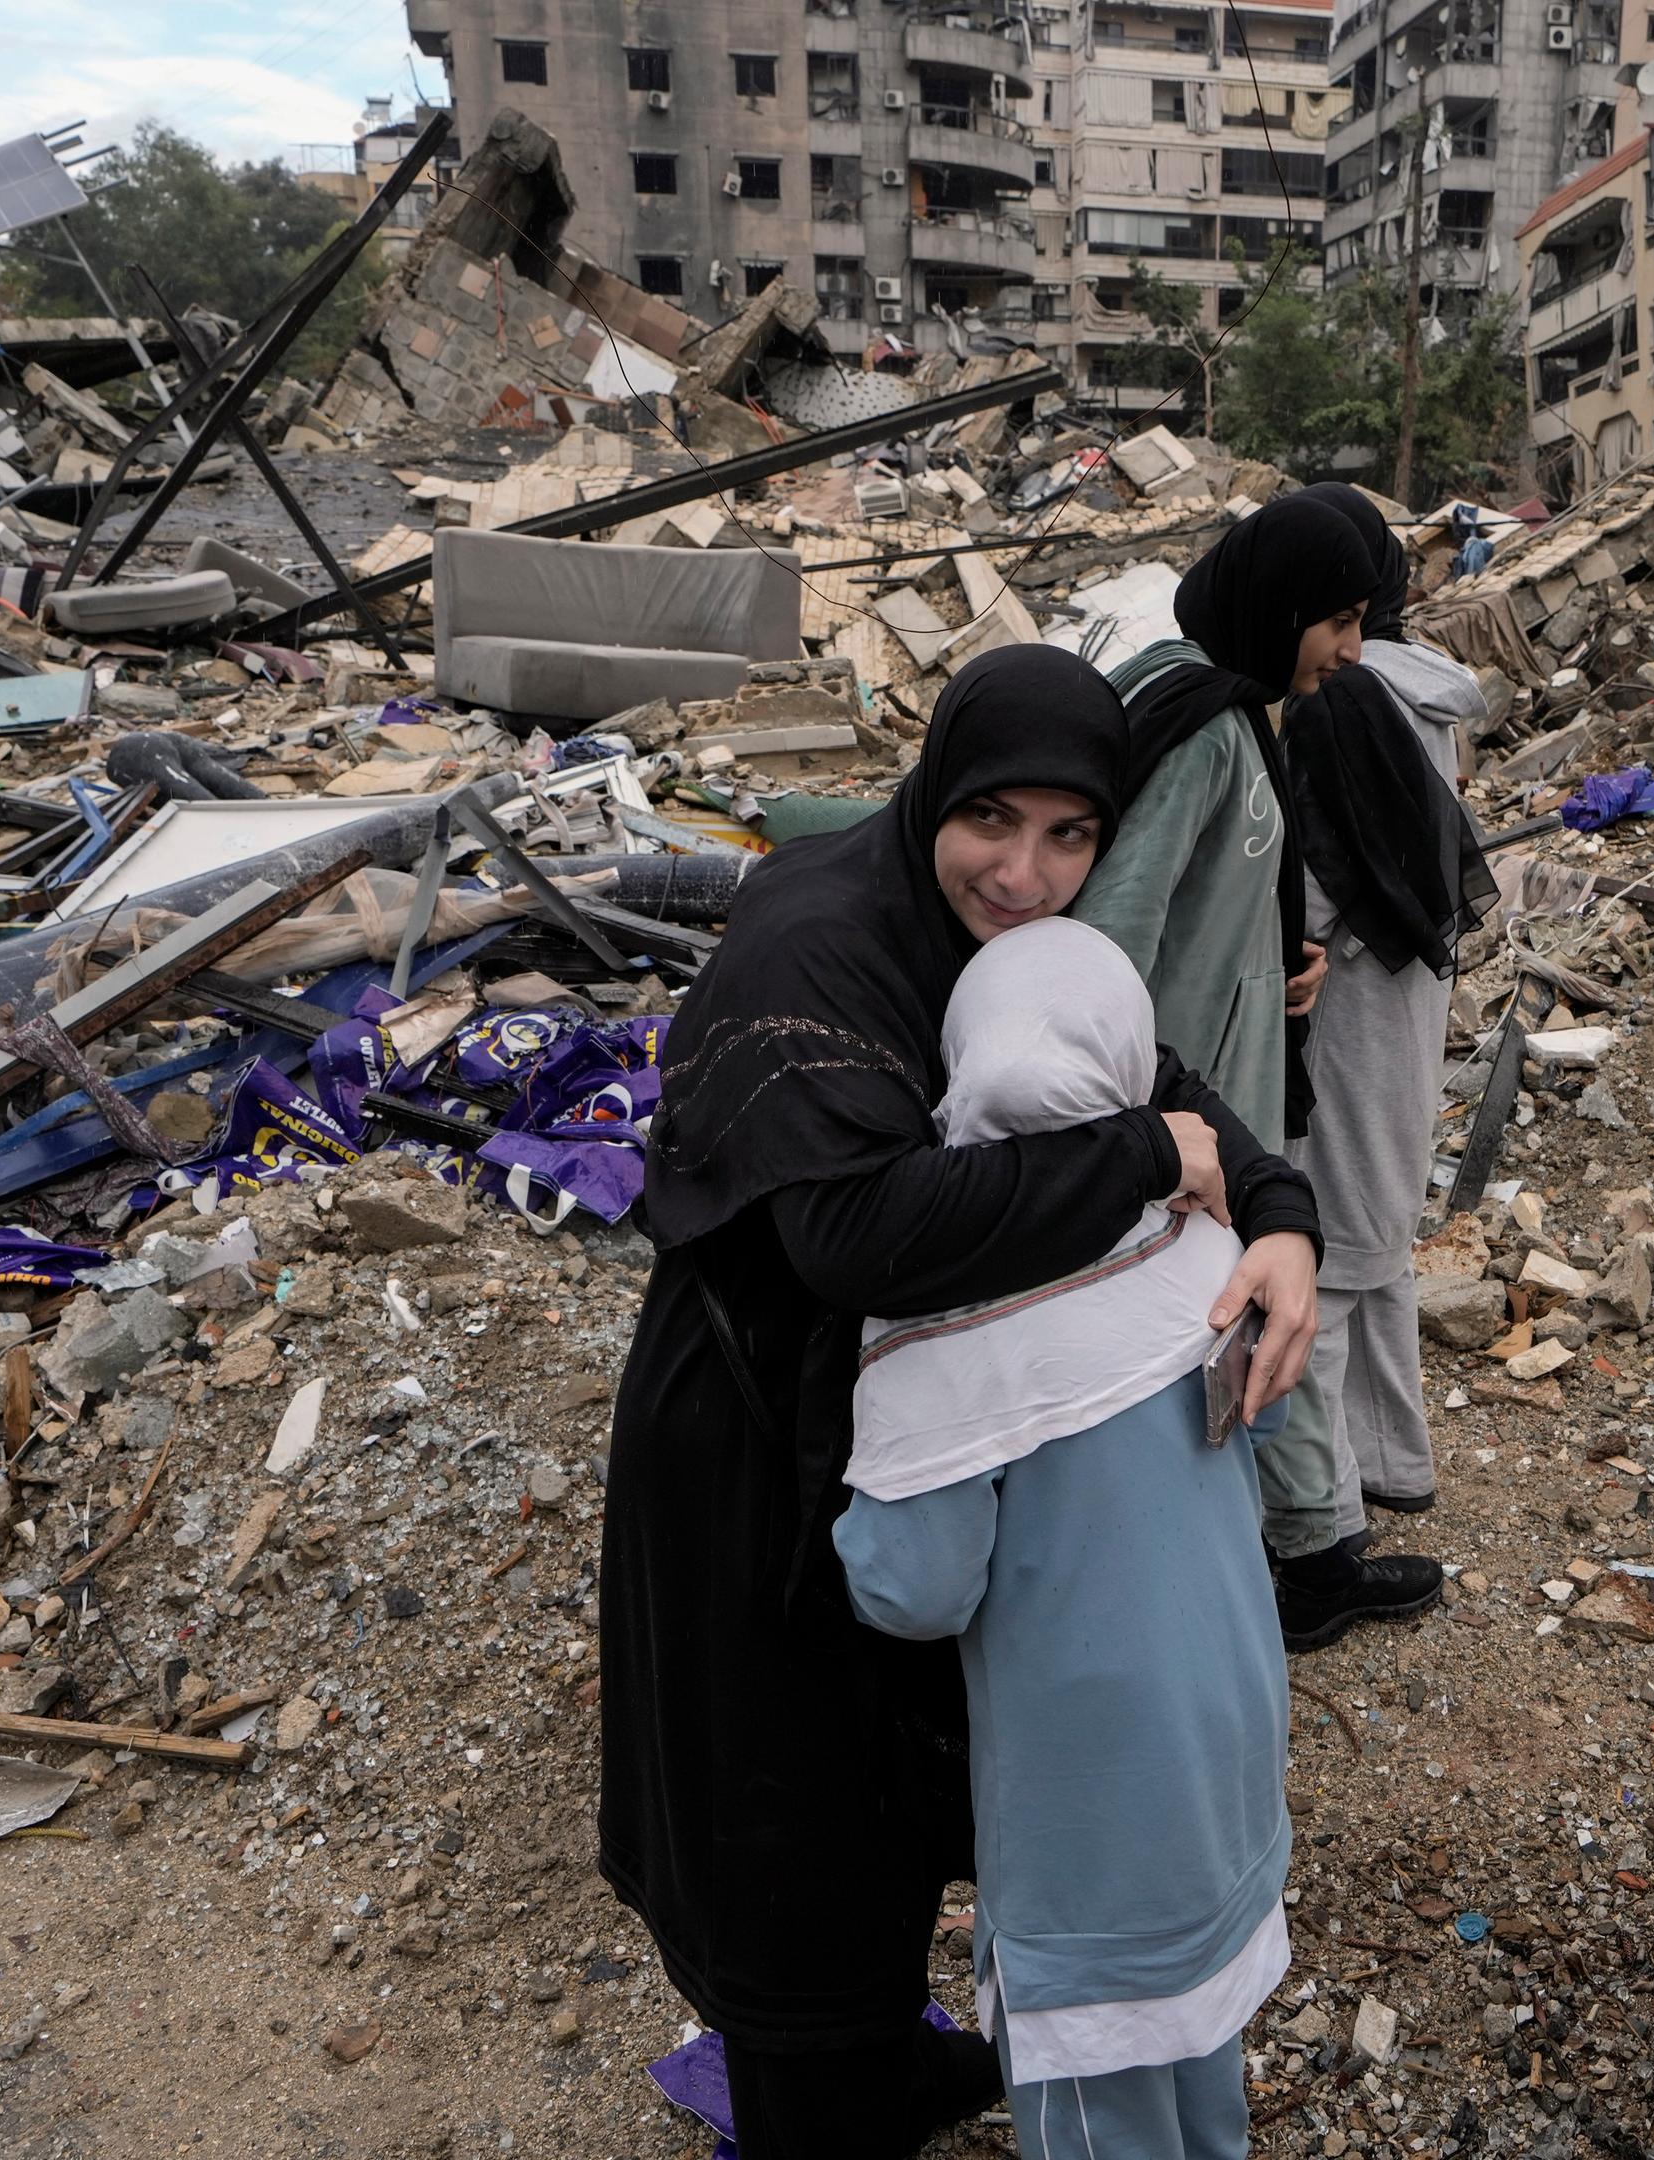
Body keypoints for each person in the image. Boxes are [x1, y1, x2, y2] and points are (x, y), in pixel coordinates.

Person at [600, 645, 1322, 2160]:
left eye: (1074, 833)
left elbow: (1153, 1073)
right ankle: (821, 2105)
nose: (1028, 873)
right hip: (759, 1429)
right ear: (937, 789)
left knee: (908, 1759)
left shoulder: (1001, 941)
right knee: (790, 1800)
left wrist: (1279, 1216)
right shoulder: (816, 944)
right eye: (996, 821)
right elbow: (850, 1231)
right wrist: (1148, 1163)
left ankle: (881, 2063)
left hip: (916, 1406)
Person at [835, 915, 1306, 2160]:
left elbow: (917, 1588)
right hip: (1231, 1712)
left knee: (1098, 2078)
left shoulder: (946, 1303)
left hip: (1087, 1783)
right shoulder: (1202, 1243)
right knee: (1199, 2034)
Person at [1077, 484, 1448, 1651]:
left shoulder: (1236, 711)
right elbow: (1119, 937)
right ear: (1277, 604)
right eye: (1334, 620)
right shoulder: (1203, 729)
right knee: (1239, 1314)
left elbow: (1202, 907)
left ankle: (1312, 1555)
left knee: (1251, 1310)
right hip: (1182, 1107)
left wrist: (1270, 957)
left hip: (1222, 1086)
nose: (1350, 648)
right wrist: (1143, 1114)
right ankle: (1289, 1567)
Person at [1270, 493, 1496, 1577]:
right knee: (1381, 1245)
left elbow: (1325, 871)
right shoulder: (1428, 696)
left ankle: (1327, 1514)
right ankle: (1391, 1461)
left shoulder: (1343, 703)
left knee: (1331, 1251)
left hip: (1346, 1002)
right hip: (1411, 995)